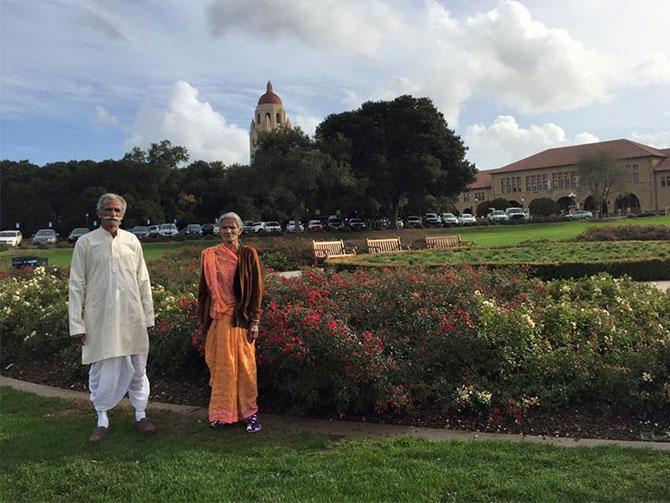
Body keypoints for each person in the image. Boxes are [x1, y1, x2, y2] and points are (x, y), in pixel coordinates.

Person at [69, 193, 156, 443]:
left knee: (139, 367)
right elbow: (76, 284)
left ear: (123, 214)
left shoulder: (132, 241)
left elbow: (143, 280)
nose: (113, 214)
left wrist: (148, 316)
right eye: (108, 209)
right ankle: (102, 418)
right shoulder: (86, 243)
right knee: (100, 367)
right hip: (100, 317)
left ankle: (140, 413)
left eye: (117, 210)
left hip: (132, 315)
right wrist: (76, 323)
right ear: (99, 213)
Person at [197, 211, 263, 432]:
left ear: (240, 230)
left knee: (246, 368)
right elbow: (204, 293)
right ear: (219, 230)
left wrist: (254, 321)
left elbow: (256, 291)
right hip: (219, 320)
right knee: (222, 368)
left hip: (241, 320)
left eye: (232, 227)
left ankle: (251, 414)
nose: (228, 231)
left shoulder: (248, 254)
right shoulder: (210, 256)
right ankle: (222, 413)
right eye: (224, 227)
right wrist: (203, 324)